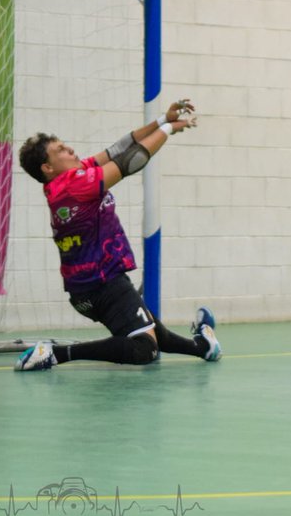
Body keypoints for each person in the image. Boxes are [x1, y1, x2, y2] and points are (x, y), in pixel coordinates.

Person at [13, 99, 220, 371]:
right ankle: (56, 354)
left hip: (87, 289)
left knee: (153, 333)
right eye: (60, 150)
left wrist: (160, 121)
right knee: (144, 348)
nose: (70, 149)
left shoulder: (68, 180)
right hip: (104, 283)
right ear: (47, 168)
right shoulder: (75, 184)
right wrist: (168, 129)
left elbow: (116, 150)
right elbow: (130, 161)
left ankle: (204, 347)